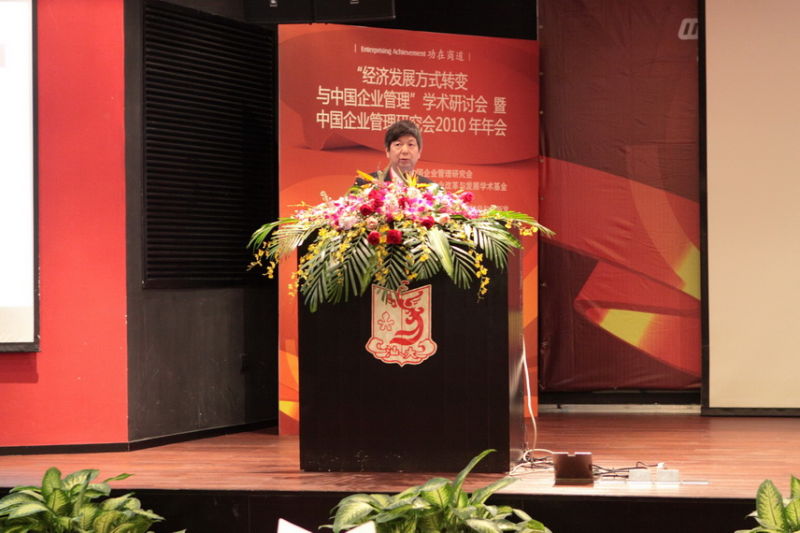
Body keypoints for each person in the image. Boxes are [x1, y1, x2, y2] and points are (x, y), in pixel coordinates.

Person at [355, 120, 432, 186]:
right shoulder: (365, 184)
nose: (405, 151)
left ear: (419, 152)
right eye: (398, 144)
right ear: (387, 151)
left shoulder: (431, 189)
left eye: (410, 144)